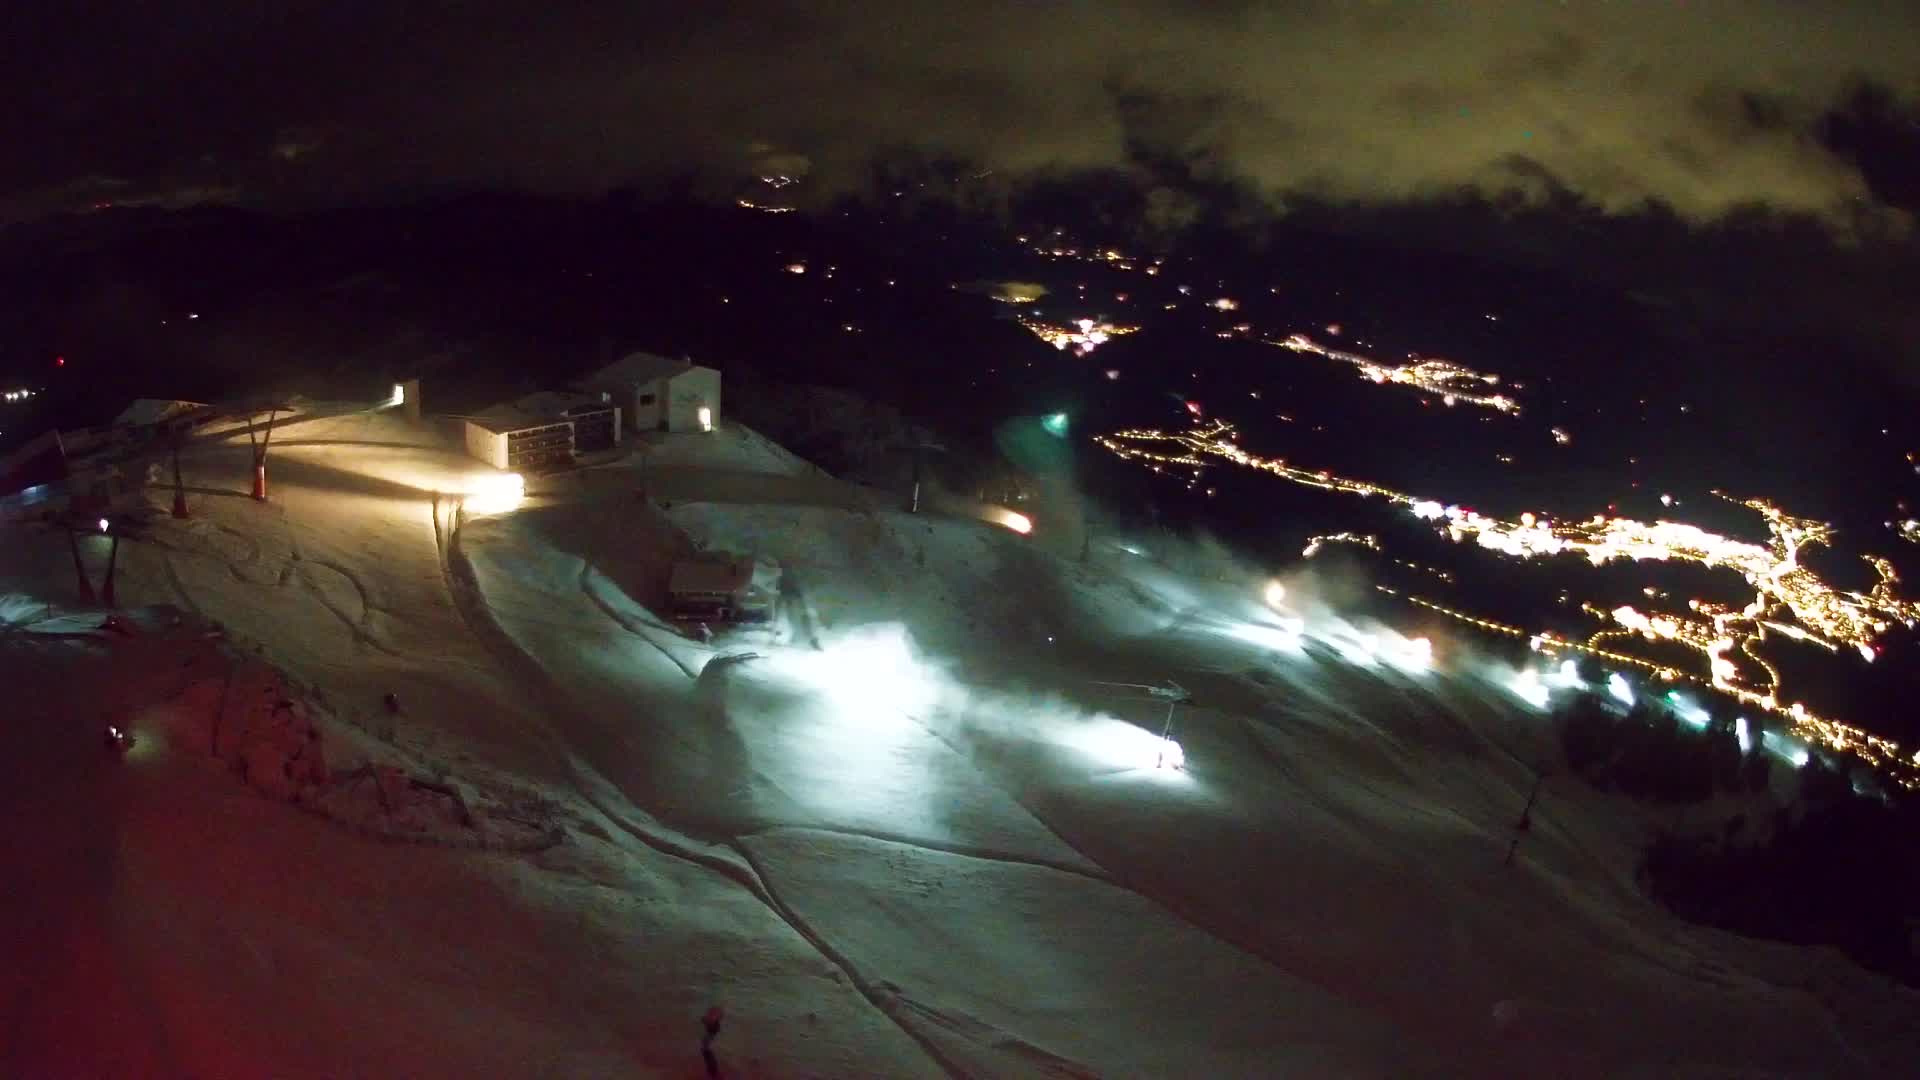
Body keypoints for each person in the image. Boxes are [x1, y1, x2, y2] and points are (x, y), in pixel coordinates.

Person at [700, 1004, 724, 1077]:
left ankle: (712, 1072)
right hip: (711, 1033)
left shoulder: (713, 1023)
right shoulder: (713, 1022)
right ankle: (712, 1071)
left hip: (711, 1033)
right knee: (705, 1048)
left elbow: (706, 1022)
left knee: (706, 1049)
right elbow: (704, 1021)